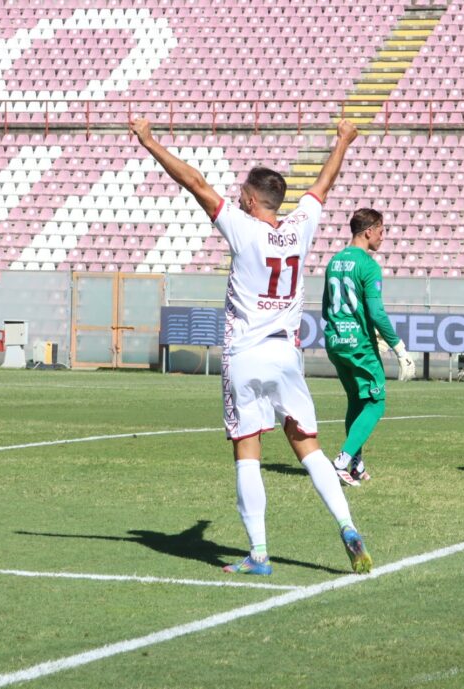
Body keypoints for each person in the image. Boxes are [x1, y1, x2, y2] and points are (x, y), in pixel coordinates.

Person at [132, 116, 374, 575]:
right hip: (286, 354)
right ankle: (347, 525)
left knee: (247, 449)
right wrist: (343, 140)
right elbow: (323, 185)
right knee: (308, 445)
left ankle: (259, 554)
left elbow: (195, 183)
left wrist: (149, 141)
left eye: (241, 192)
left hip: (245, 353)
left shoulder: (242, 228)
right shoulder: (300, 225)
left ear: (248, 199)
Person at [322, 208, 415, 487]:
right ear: (368, 232)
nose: (383, 237)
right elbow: (376, 312)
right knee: (376, 402)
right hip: (359, 346)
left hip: (335, 341)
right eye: (381, 231)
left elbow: (327, 310)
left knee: (356, 400)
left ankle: (357, 464)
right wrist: (399, 348)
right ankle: (340, 462)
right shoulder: (369, 266)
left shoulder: (334, 261)